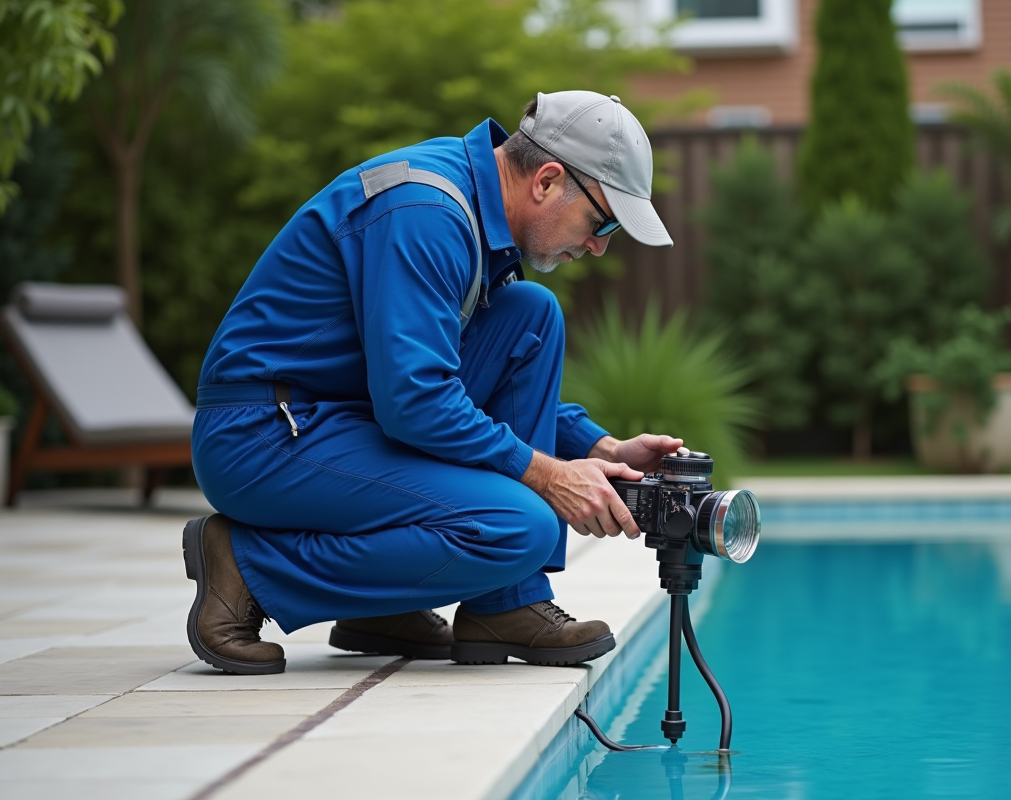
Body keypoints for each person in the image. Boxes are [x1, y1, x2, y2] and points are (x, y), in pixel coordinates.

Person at [183, 90, 679, 675]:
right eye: (603, 222)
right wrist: (549, 476)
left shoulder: (467, 202)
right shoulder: (427, 213)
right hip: (264, 434)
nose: (598, 245)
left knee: (529, 315)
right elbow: (417, 401)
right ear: (546, 181)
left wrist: (601, 449)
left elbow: (446, 375)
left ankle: (495, 605)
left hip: (337, 414)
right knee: (517, 524)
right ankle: (248, 566)